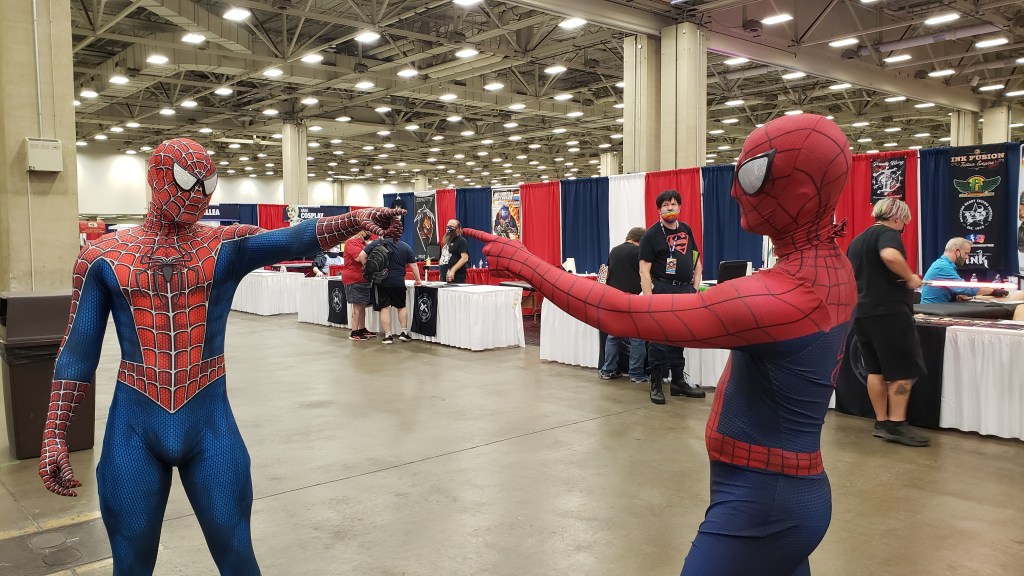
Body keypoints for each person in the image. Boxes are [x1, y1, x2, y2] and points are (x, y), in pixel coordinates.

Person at [463, 113, 858, 576]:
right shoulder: (829, 271)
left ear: (803, 191)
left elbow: (622, 314)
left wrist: (528, 263)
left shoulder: (789, 295)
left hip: (764, 500)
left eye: (753, 174)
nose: (736, 191)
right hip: (777, 493)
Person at [37, 138, 403, 574]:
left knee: (237, 555)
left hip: (209, 424)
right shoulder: (101, 257)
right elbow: (79, 350)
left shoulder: (225, 245)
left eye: (208, 185)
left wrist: (354, 219)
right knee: (131, 564)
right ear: (157, 178)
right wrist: (54, 433)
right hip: (134, 428)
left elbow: (292, 238)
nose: (198, 195)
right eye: (187, 181)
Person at [846, 197, 929, 447]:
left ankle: (881, 422)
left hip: (862, 312)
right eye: (904, 223)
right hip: (889, 313)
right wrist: (910, 278)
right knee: (902, 370)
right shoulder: (888, 234)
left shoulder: (857, 241)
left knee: (875, 369)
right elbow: (890, 255)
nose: (903, 227)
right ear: (896, 218)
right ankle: (896, 425)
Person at [639, 189, 704, 403]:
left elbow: (695, 258)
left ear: (680, 207)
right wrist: (649, 299)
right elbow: (644, 271)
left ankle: (677, 382)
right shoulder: (651, 235)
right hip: (662, 291)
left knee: (679, 337)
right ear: (659, 209)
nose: (670, 208)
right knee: (658, 339)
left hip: (685, 291)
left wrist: (695, 288)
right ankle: (656, 383)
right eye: (666, 205)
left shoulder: (686, 229)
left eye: (674, 204)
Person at [359, 221, 422, 344]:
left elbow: (362, 256)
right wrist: (418, 280)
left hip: (381, 281)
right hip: (398, 281)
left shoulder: (376, 243)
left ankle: (388, 336)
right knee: (401, 306)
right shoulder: (405, 246)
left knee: (385, 308)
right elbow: (414, 266)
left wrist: (369, 268)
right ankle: (404, 333)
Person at [599, 227, 647, 383]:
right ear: (641, 240)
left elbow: (607, 274)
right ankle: (636, 374)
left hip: (614, 299)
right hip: (634, 299)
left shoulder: (614, 250)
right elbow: (645, 274)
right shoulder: (639, 252)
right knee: (637, 338)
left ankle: (608, 369)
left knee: (613, 336)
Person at [920, 238, 1008, 303]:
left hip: (937, 307)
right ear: (957, 251)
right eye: (966, 253)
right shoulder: (942, 267)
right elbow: (964, 288)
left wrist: (956, 296)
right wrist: (993, 291)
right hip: (933, 311)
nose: (967, 257)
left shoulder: (943, 265)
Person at [342, 231, 376, 341]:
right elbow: (359, 257)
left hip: (363, 278)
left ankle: (362, 329)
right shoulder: (351, 242)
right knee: (357, 307)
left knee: (362, 305)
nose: (370, 233)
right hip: (354, 279)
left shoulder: (364, 243)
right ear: (361, 231)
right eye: (368, 230)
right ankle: (354, 332)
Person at [439, 219, 470, 283]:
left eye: (451, 226)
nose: (448, 228)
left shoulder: (461, 241)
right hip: (444, 279)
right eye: (447, 226)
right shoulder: (447, 242)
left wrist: (453, 270)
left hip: (456, 279)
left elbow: (465, 258)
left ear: (457, 229)